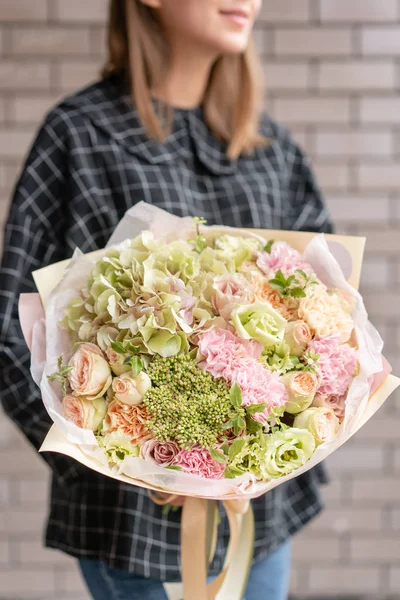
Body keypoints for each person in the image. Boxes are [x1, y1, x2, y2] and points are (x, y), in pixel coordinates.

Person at [0, 1, 333, 599]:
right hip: (133, 523)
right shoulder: (79, 136)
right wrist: (121, 461)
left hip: (259, 516)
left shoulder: (269, 149)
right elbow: (7, 325)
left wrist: (281, 441)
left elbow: (331, 316)